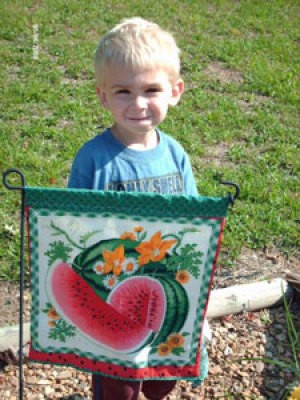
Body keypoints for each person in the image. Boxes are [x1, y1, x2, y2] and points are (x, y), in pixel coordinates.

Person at [68, 17, 209, 400]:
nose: (139, 104)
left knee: (162, 383)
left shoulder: (177, 156)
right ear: (102, 96)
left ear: (175, 92)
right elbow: (74, 229)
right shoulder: (93, 159)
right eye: (123, 92)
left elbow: (194, 226)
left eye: (151, 89)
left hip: (166, 298)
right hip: (109, 296)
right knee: (119, 391)